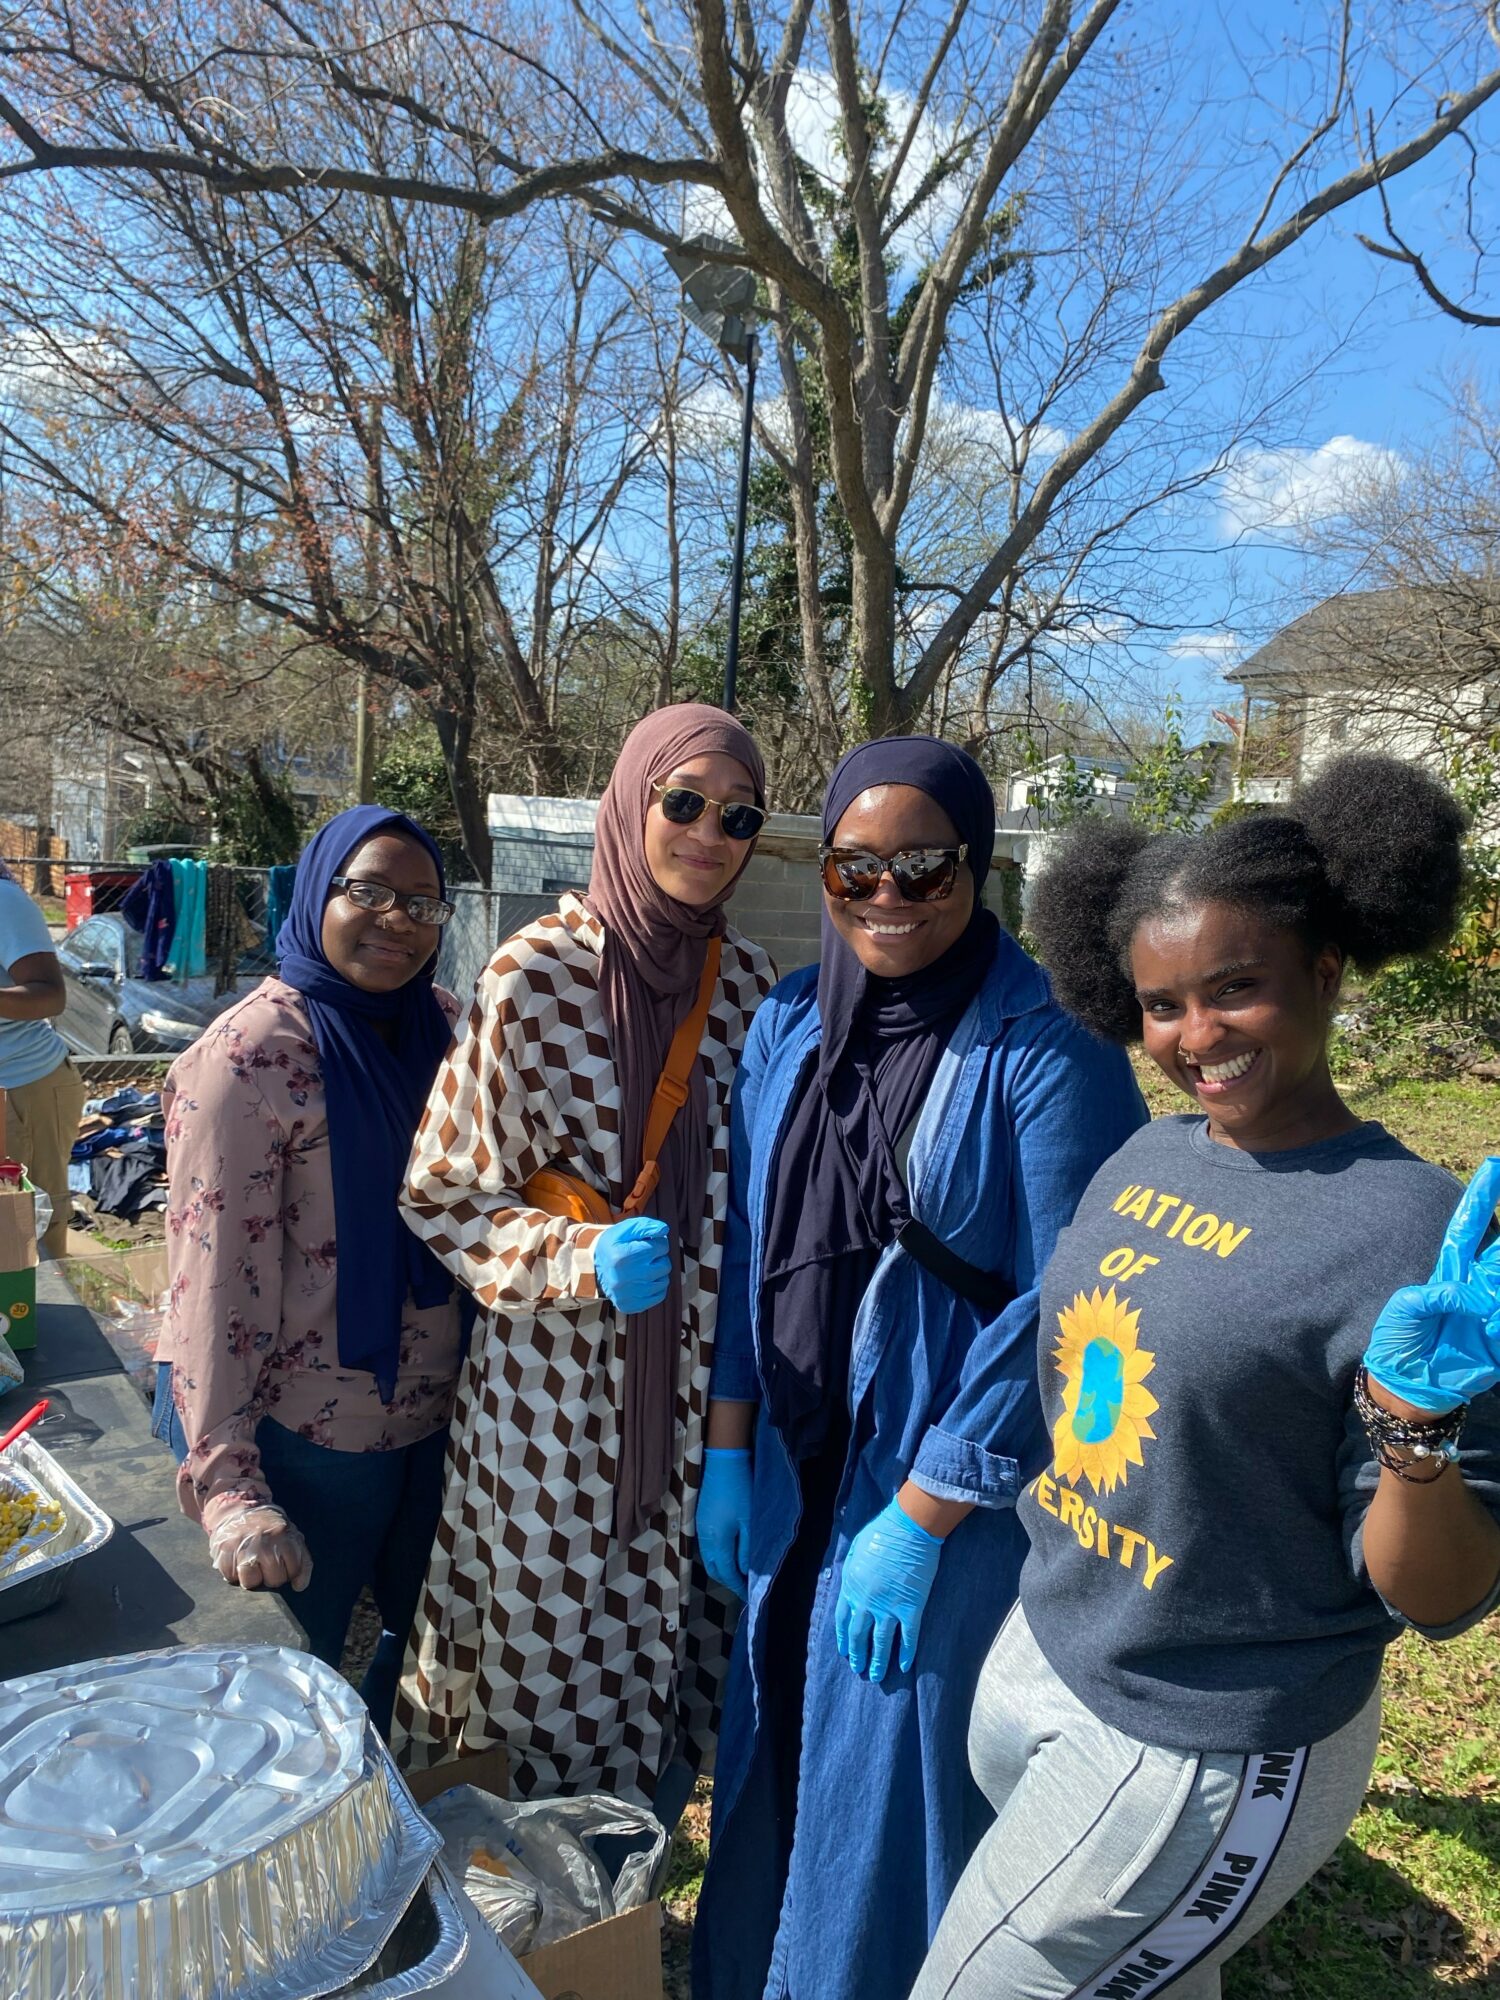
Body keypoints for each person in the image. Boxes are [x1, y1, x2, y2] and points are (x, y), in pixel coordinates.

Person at [912, 753, 1500, 2000]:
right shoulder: (1150, 1153)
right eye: (1163, 1004)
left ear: (1326, 972)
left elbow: (1444, 1598)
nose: (1196, 1038)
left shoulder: (1410, 1235)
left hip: (1206, 1740)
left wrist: (1414, 1427)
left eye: (1236, 989)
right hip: (1059, 1647)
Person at [691, 738, 1146, 2000]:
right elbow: (748, 1249)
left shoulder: (1049, 1043)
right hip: (792, 1463)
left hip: (938, 1484)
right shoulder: (788, 1020)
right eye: (855, 870)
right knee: (775, 1736)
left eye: (924, 869)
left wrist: (931, 1504)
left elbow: (1078, 1298)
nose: (888, 899)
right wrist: (728, 1449)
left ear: (980, 868)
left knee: (889, 1786)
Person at [392, 703, 774, 1826]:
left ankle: (617, 1870)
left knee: (664, 1645)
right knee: (535, 1654)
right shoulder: (536, 974)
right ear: (631, 800)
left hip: (700, 1393)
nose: (710, 832)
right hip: (552, 1404)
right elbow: (443, 1188)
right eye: (685, 801)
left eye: (738, 814)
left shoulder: (753, 988)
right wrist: (577, 1254)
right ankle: (509, 1891)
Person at [155, 806, 466, 1737]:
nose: (397, 920)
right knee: (287, 1699)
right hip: (307, 1441)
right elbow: (210, 1291)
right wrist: (231, 1488)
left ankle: (381, 1841)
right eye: (367, 891)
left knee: (421, 1668)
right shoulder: (250, 1060)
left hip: (442, 1427)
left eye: (422, 903)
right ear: (315, 890)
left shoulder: (444, 1030)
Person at [0, 861, 85, 1259]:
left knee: (26, 1235)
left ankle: (41, 1322)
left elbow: (50, 995)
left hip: (21, 1088)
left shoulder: (5, 902)